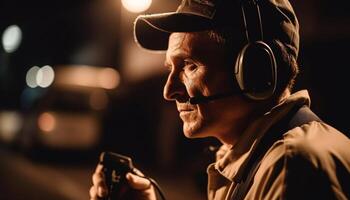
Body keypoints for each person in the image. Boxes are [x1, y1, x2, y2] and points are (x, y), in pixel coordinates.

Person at [90, 0, 350, 199]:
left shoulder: (290, 166)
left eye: (190, 66)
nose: (169, 91)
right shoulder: (253, 159)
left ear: (254, 71)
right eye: (171, 68)